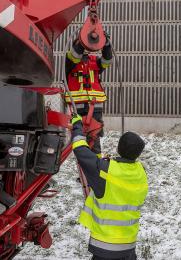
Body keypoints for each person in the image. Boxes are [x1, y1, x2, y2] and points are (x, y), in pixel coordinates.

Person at [71, 114, 148, 260]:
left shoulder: (104, 170)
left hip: (104, 248)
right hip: (128, 245)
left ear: (119, 147)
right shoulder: (141, 172)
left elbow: (80, 150)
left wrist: (77, 125)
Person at [65, 32, 112, 157]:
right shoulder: (70, 59)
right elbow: (75, 54)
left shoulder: (95, 61)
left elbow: (107, 60)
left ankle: (95, 169)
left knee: (94, 138)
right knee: (79, 139)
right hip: (77, 107)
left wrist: (106, 44)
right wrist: (84, 38)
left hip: (95, 106)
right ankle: (83, 167)